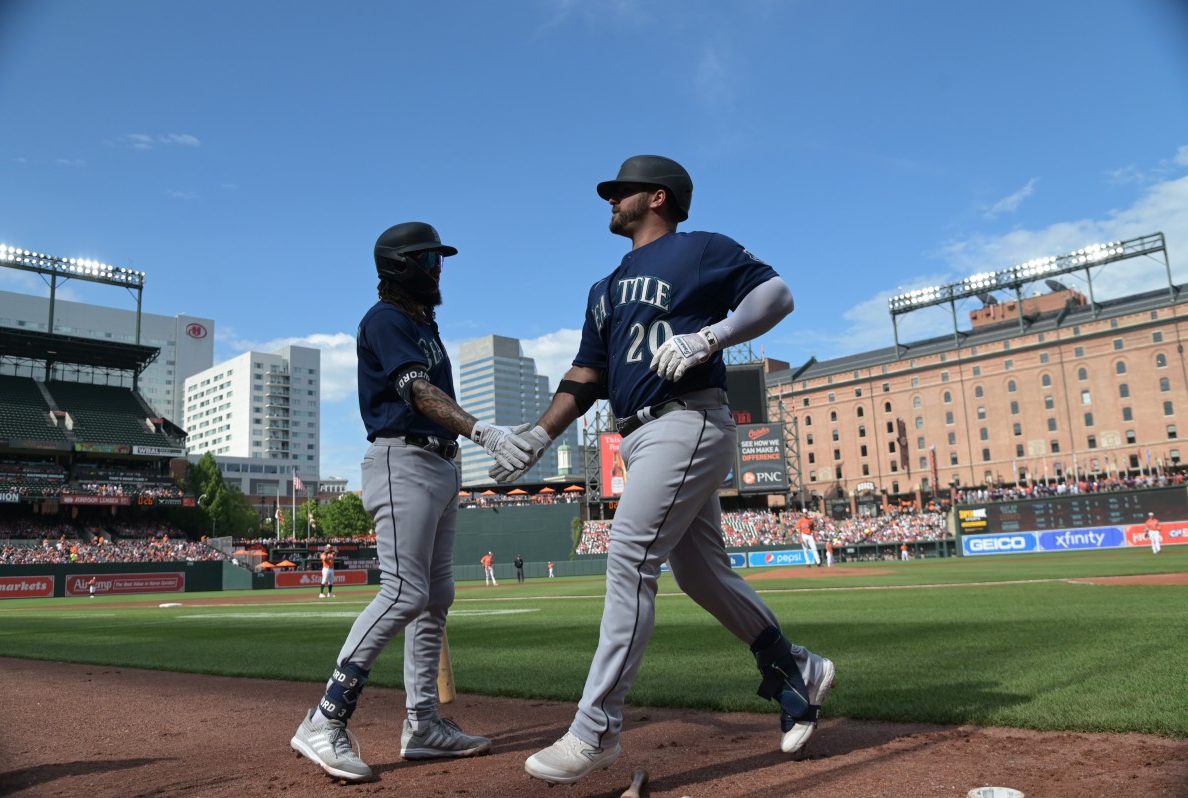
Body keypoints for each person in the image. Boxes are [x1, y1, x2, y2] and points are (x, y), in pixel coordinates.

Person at [491, 155, 834, 784]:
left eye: (619, 193)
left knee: (628, 557)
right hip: (637, 434)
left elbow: (777, 294)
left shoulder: (699, 248)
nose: (609, 203)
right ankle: (794, 667)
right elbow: (587, 376)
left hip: (688, 418)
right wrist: (539, 434)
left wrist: (712, 337)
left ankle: (596, 729)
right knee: (702, 574)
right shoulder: (606, 285)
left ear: (656, 197)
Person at [290, 222, 536, 783]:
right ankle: (325, 720)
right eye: (430, 257)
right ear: (401, 264)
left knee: (435, 597)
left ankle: (422, 725)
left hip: (438, 464)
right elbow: (418, 393)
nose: (439, 266)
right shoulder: (386, 320)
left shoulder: (424, 323)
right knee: (404, 592)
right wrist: (485, 433)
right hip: (403, 460)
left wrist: (472, 439)